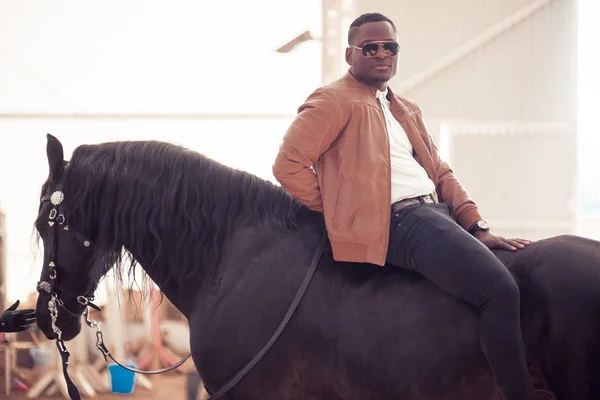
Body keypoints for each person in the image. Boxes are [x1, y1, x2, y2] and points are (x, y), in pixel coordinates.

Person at [272, 12, 537, 400]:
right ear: (350, 54)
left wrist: (477, 226)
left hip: (434, 214)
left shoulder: (405, 109)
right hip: (403, 222)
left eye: (389, 46)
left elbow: (441, 173)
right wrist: (344, 214)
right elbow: (288, 164)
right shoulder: (333, 100)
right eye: (370, 47)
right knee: (500, 290)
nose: (381, 53)